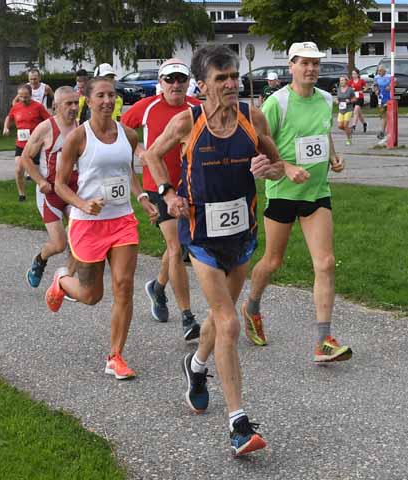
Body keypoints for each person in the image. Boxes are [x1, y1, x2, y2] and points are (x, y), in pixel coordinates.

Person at [144, 44, 285, 455]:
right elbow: (152, 155)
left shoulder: (251, 117)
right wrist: (168, 193)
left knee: (218, 322)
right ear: (201, 86)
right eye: (220, 78)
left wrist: (269, 168)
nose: (229, 84)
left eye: (233, 76)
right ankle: (238, 424)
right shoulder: (188, 121)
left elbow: (274, 162)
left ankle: (196, 365)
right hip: (201, 237)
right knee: (228, 323)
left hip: (241, 237)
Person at [241, 42, 352, 364]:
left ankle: (323, 340)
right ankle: (252, 306)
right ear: (291, 66)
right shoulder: (278, 103)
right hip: (283, 193)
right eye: (304, 63)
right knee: (273, 262)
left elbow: (323, 132)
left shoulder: (326, 99)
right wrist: (287, 168)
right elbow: (263, 147)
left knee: (326, 262)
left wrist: (333, 157)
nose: (311, 69)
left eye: (316, 64)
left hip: (317, 193)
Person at [45, 77, 159, 380]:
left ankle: (115, 356)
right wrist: (82, 204)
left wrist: (143, 198)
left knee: (123, 286)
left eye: (112, 95)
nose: (107, 101)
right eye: (101, 96)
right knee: (91, 295)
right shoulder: (78, 138)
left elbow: (127, 173)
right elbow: (58, 183)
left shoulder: (129, 135)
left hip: (122, 220)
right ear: (89, 100)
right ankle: (61, 281)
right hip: (88, 224)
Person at [121, 58, 201, 340]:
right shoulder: (147, 107)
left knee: (178, 247)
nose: (176, 85)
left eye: (181, 79)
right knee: (176, 246)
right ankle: (188, 317)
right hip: (157, 185)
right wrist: (141, 151)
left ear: (188, 81)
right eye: (170, 80)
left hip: (191, 186)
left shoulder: (195, 107)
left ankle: (158, 286)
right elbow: (123, 129)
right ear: (161, 82)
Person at [22, 86, 80, 287]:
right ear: (56, 106)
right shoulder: (46, 128)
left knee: (79, 237)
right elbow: (26, 157)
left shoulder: (82, 128)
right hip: (51, 193)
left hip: (74, 192)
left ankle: (67, 281)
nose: (74, 108)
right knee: (59, 244)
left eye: (76, 103)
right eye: (69, 103)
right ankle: (40, 260)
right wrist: (40, 181)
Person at [3, 85, 51, 202]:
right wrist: (6, 127)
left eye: (26, 97)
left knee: (35, 171)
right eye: (21, 97)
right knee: (19, 169)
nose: (24, 99)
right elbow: (9, 117)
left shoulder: (38, 107)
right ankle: (22, 195)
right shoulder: (16, 107)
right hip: (20, 144)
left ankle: (46, 192)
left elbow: (49, 120)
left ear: (31, 95)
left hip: (34, 145)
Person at [336, 75, 356, 145]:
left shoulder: (350, 90)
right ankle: (349, 131)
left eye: (342, 80)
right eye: (340, 80)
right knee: (339, 126)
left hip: (348, 109)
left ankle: (349, 139)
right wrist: (337, 101)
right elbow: (337, 98)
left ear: (346, 81)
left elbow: (354, 99)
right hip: (341, 109)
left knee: (345, 125)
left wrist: (350, 101)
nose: (341, 82)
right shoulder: (338, 89)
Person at [374, 65, 390, 140]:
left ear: (384, 71)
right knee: (383, 115)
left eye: (380, 70)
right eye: (378, 70)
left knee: (385, 114)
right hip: (381, 97)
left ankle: (383, 131)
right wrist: (376, 90)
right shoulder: (377, 77)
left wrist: (390, 86)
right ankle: (384, 131)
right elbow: (375, 85)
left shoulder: (389, 76)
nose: (379, 72)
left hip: (389, 97)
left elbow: (396, 82)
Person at [349, 68, 367, 133]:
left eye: (354, 74)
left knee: (356, 110)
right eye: (352, 74)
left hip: (360, 98)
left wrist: (362, 91)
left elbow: (366, 87)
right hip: (354, 98)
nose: (353, 75)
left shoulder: (361, 81)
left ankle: (353, 126)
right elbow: (348, 89)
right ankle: (364, 123)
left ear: (358, 74)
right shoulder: (350, 81)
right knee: (359, 114)